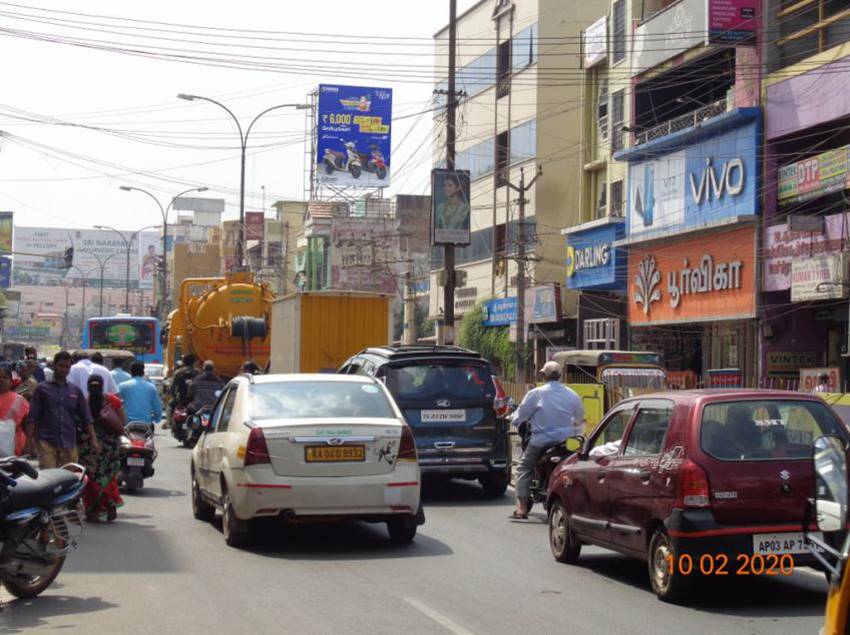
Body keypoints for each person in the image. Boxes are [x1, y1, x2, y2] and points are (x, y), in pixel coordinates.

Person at [511, 361, 584, 520]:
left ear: (543, 376)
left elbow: (521, 415)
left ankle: (522, 508)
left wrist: (513, 419)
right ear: (560, 375)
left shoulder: (536, 393)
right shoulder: (572, 394)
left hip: (541, 441)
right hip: (566, 441)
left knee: (523, 468)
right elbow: (579, 419)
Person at [27, 351, 100, 469]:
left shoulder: (75, 391)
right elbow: (32, 417)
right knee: (49, 479)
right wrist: (28, 442)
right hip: (46, 441)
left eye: (67, 367)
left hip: (69, 443)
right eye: (61, 366)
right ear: (54, 365)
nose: (64, 369)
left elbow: (86, 417)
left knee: (68, 481)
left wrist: (94, 440)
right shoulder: (41, 389)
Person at [81, 375, 125, 522]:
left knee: (91, 479)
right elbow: (122, 421)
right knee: (108, 476)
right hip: (110, 446)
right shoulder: (113, 400)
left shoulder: (84, 402)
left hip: (90, 447)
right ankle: (110, 503)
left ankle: (93, 510)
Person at [119, 361, 163, 428]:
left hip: (127, 424)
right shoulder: (151, 387)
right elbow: (158, 410)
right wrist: (155, 419)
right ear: (143, 373)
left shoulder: (122, 386)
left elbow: (115, 404)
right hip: (146, 424)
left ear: (131, 372)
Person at [0, 366, 30, 456]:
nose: (1, 380)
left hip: (13, 445)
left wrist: (29, 444)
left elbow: (26, 424)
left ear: (11, 382)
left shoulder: (19, 400)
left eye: (5, 377)